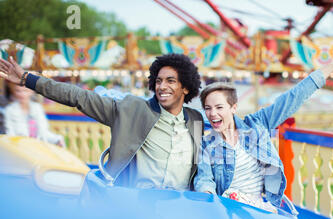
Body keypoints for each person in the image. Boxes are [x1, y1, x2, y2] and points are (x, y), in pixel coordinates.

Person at [194, 42, 333, 212]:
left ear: (233, 107)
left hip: (258, 208)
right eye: (208, 108)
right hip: (227, 209)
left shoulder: (257, 124)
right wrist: (208, 196)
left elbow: (295, 96)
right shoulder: (207, 144)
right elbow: (204, 178)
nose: (212, 113)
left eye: (219, 107)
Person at [0, 53, 204, 189]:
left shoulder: (195, 120)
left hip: (180, 205)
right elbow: (78, 96)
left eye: (170, 81)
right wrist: (28, 79)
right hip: (137, 202)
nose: (162, 86)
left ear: (185, 88)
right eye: (158, 81)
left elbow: (199, 167)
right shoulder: (131, 109)